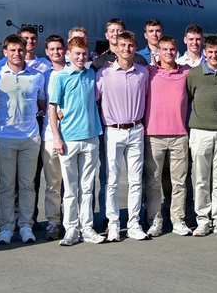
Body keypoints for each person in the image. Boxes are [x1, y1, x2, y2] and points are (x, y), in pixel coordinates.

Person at [0, 34, 46, 244]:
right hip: (5, 137)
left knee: (27, 185)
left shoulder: (37, 76)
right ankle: (6, 227)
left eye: (20, 50)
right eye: (12, 50)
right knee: (6, 185)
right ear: (5, 52)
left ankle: (25, 226)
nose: (17, 53)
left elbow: (42, 104)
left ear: (26, 51)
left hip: (30, 138)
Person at [49, 37, 104, 246]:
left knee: (88, 186)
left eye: (84, 54)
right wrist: (57, 137)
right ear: (68, 55)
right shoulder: (60, 77)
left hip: (91, 137)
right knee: (71, 189)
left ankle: (87, 227)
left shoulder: (91, 74)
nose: (81, 57)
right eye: (77, 54)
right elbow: (53, 108)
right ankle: (71, 228)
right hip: (69, 139)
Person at [96, 31, 150, 241]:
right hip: (113, 130)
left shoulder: (143, 73)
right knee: (112, 181)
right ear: (115, 48)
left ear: (135, 48)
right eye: (122, 46)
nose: (126, 49)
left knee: (136, 180)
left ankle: (134, 223)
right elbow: (92, 98)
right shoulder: (103, 74)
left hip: (136, 130)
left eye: (130, 45)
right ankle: (114, 224)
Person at [186, 35, 217, 236]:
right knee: (200, 179)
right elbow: (190, 96)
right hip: (200, 131)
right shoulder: (194, 74)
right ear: (205, 53)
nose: (214, 55)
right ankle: (202, 220)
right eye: (211, 52)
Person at [144, 35, 192, 235]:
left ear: (176, 50)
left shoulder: (186, 73)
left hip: (179, 134)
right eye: (165, 50)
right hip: (154, 135)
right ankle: (155, 220)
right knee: (153, 181)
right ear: (159, 52)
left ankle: (178, 219)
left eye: (172, 49)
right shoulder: (149, 72)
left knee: (179, 181)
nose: (169, 53)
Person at [39, 35, 68, 240]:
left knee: (72, 184)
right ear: (47, 52)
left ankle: (71, 221)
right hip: (50, 136)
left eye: (59, 48)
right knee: (53, 183)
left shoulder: (73, 71)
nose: (56, 52)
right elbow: (41, 102)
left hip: (74, 135)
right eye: (52, 49)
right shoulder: (42, 74)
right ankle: (53, 222)